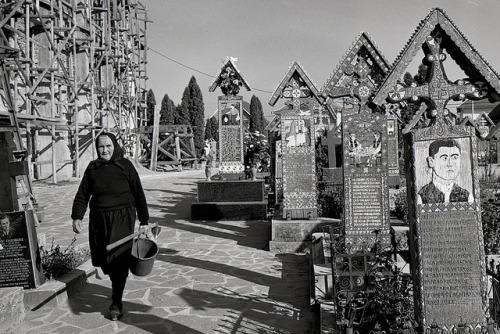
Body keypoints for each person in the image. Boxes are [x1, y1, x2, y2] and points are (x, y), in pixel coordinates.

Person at [71, 132, 150, 321]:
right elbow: (83, 194)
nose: (105, 150)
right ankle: (117, 282)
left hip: (122, 217)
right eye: (100, 147)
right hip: (99, 219)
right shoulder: (93, 168)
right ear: (97, 149)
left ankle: (116, 302)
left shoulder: (125, 166)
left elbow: (138, 193)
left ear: (114, 145)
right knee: (103, 259)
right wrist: (77, 216)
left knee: (118, 260)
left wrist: (144, 221)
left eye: (108, 146)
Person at [418, 139, 473, 204]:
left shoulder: (467, 197)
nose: (450, 164)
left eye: (454, 157)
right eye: (444, 158)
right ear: (431, 161)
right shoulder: (421, 197)